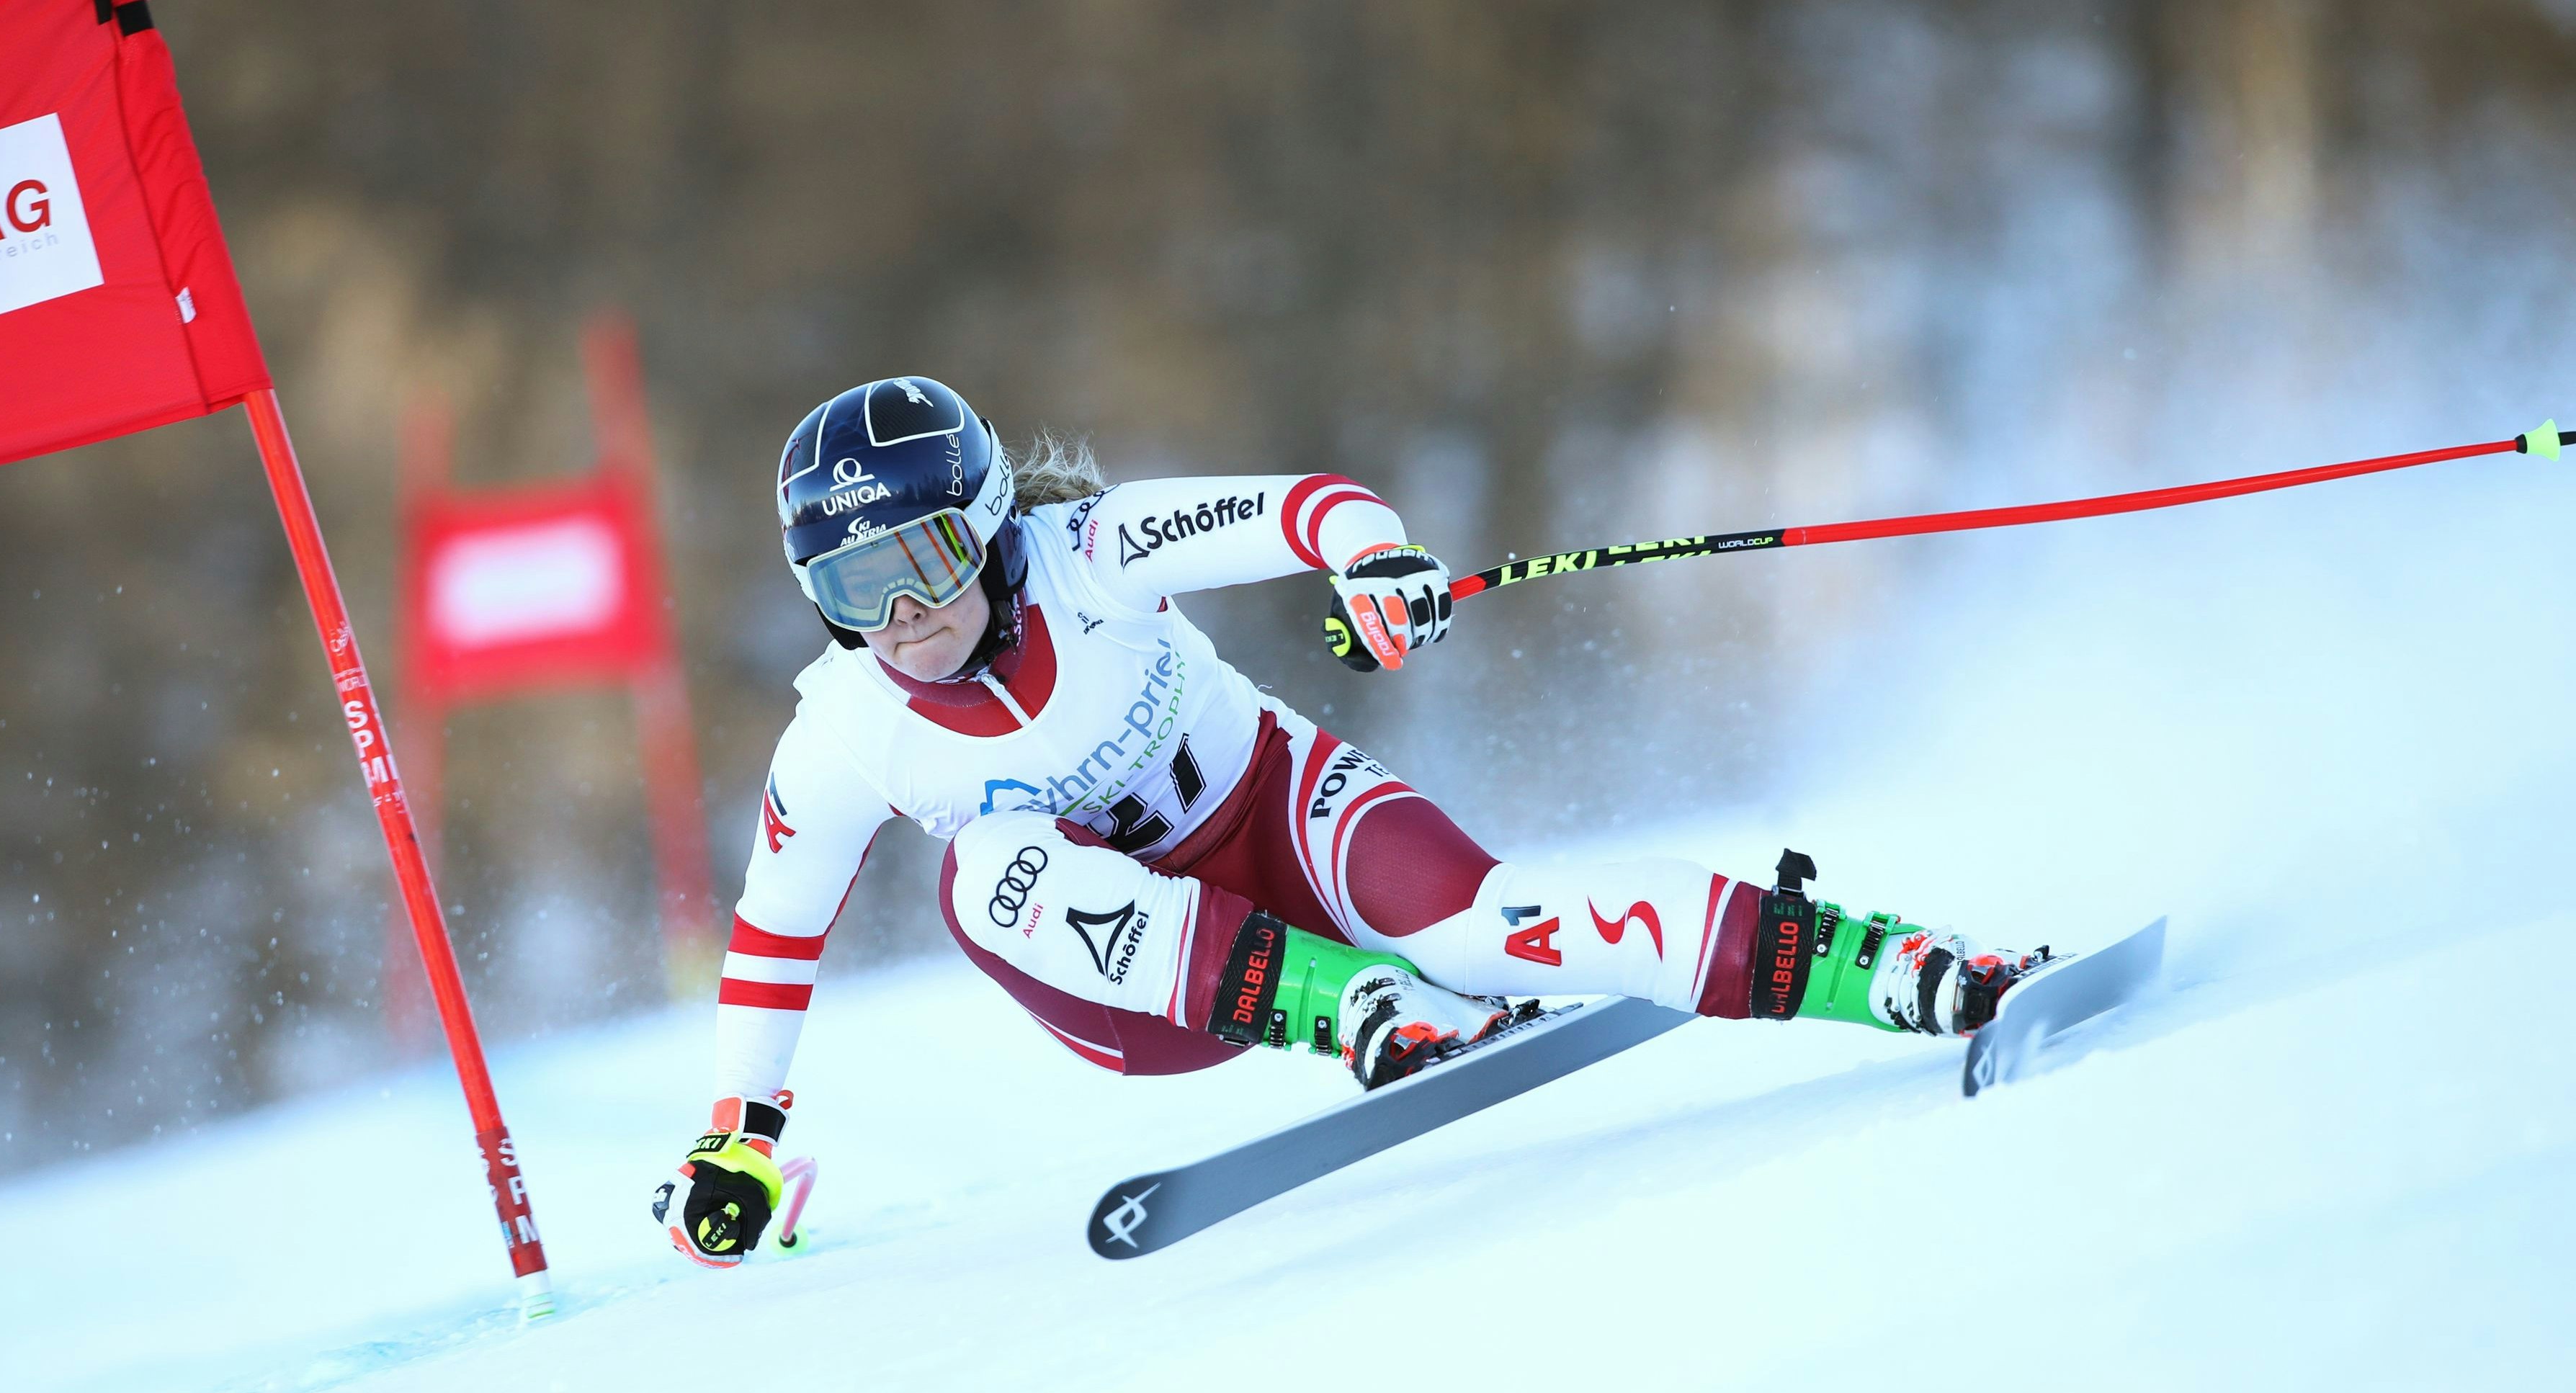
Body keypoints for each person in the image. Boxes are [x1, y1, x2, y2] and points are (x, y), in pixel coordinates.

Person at [651, 376, 2052, 1268]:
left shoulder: (1091, 553)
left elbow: (1303, 509)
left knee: (1501, 922)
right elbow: (776, 934)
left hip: (1277, 811)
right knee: (989, 869)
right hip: (1151, 994)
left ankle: (1899, 970)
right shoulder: (846, 730)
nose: (899, 620)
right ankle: (1357, 1010)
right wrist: (741, 1134)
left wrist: (1374, 562)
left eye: (922, 563)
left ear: (993, 522)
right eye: (850, 589)